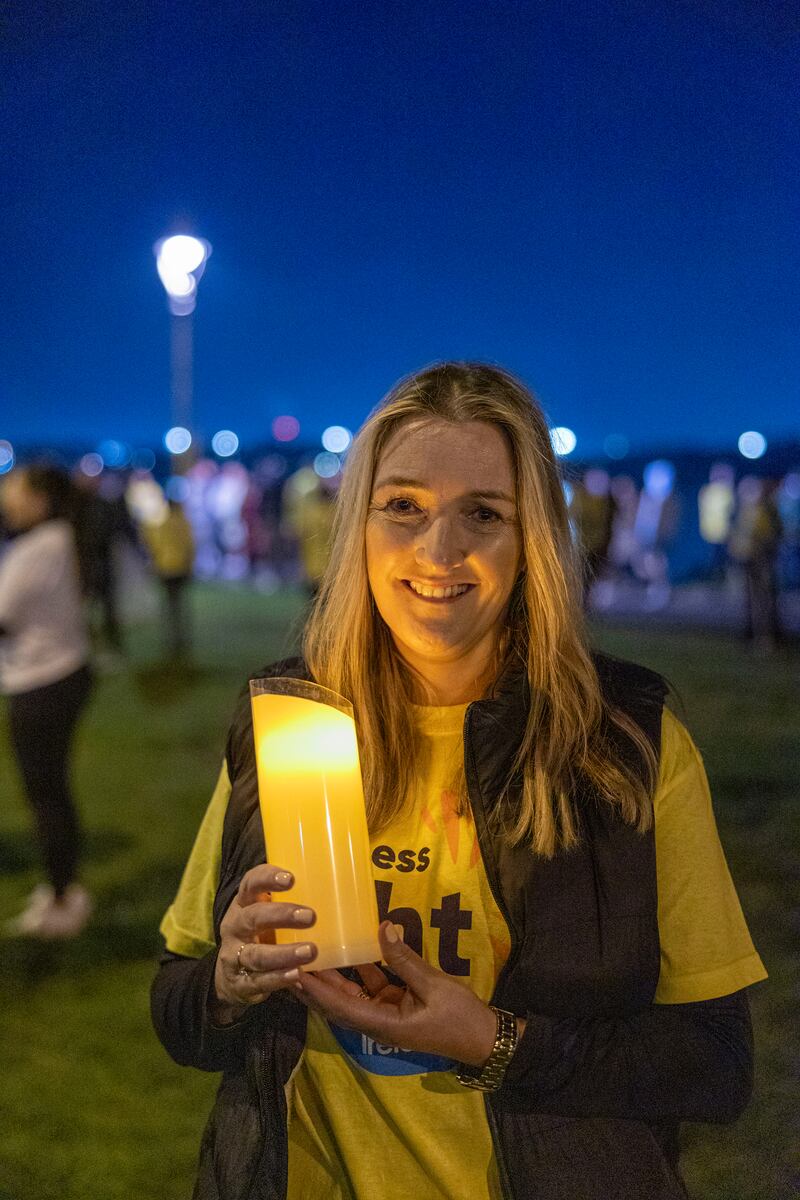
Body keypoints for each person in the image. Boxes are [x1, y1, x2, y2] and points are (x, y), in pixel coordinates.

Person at [152, 363, 766, 1200]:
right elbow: (179, 1008)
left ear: (535, 539)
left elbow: (715, 1064)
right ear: (357, 525)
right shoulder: (290, 722)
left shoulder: (623, 741)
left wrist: (496, 1041)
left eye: (483, 513)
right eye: (403, 507)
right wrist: (226, 986)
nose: (439, 553)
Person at [0, 464, 94, 937]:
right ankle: (61, 886)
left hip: (43, 680)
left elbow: (3, 615)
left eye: (13, 490)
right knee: (48, 791)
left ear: (40, 499)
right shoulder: (52, 540)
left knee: (46, 793)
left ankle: (64, 898)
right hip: (53, 675)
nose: (5, 499)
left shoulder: (43, 544)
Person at [141, 497, 196, 658]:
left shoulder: (161, 524)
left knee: (169, 604)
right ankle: (181, 636)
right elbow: (190, 545)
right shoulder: (183, 523)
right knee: (179, 603)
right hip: (180, 568)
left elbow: (152, 543)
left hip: (165, 568)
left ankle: (171, 637)